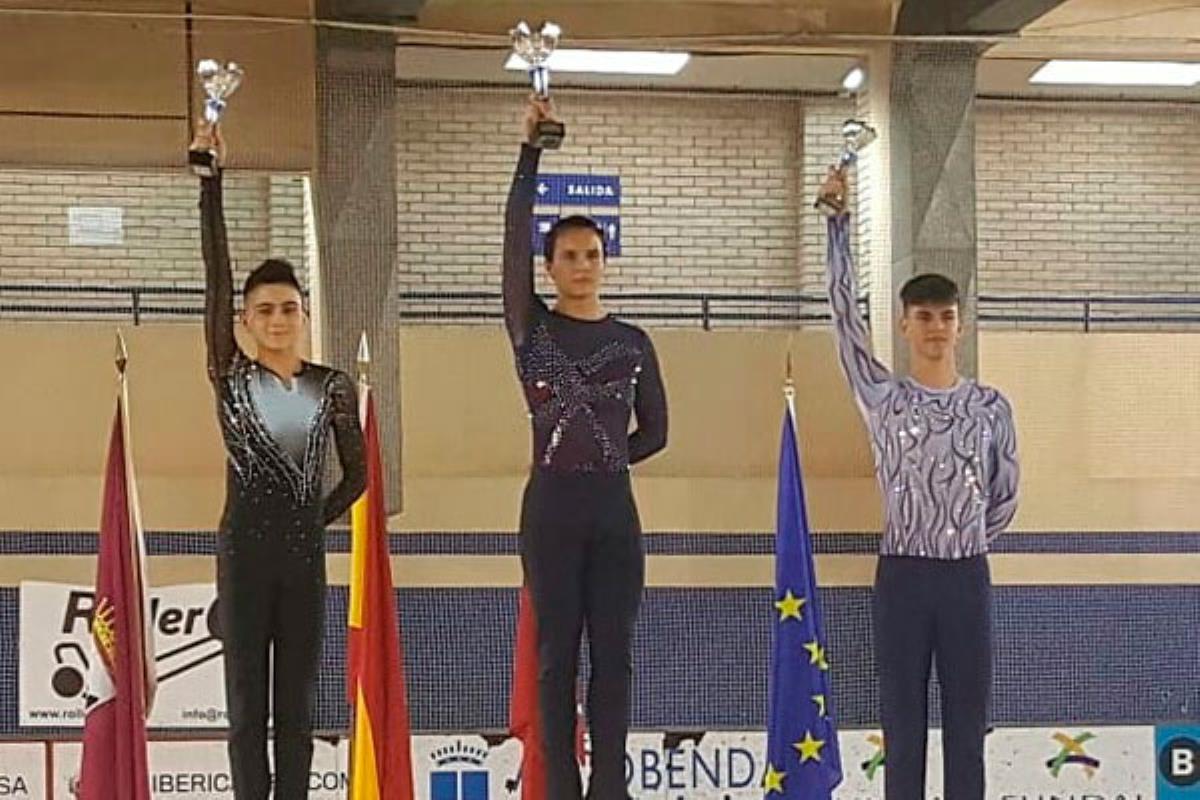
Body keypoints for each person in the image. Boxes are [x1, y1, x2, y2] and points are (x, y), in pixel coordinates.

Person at [818, 168, 1019, 800]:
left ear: (961, 325)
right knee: (901, 728)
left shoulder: (990, 408)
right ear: (904, 326)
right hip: (902, 578)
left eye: (947, 316)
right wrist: (836, 228)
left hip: (965, 578)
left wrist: (961, 538)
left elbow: (1005, 496)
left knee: (967, 729)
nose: (936, 326)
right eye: (923, 316)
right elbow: (844, 319)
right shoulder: (883, 397)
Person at [191, 120, 366, 799]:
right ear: (245, 318)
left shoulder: (332, 388)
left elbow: (358, 474)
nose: (276, 318)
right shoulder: (230, 374)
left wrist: (310, 519)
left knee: (296, 710)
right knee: (245, 712)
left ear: (303, 314)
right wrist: (212, 186)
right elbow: (215, 277)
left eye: (288, 307)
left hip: (301, 560)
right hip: (241, 557)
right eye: (262, 309)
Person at [503, 95, 668, 800]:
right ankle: (560, 788)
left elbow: (657, 431)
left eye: (592, 254)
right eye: (568, 255)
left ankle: (611, 787)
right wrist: (529, 154)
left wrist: (604, 461)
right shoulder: (532, 331)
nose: (582, 264)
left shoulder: (632, 342)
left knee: (616, 656)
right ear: (548, 267)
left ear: (605, 261)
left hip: (612, 514)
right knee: (554, 658)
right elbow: (511, 241)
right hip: (550, 512)